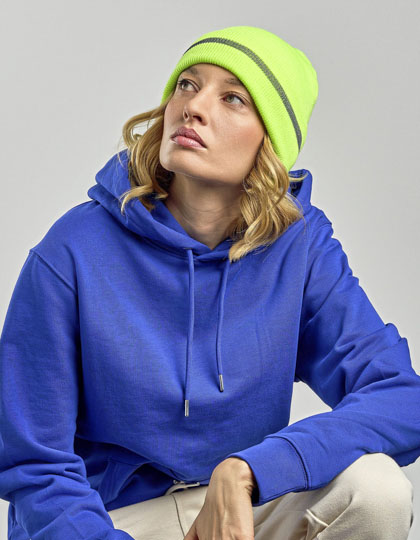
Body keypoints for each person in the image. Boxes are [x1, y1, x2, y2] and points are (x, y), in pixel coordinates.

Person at [0, 24, 419, 540]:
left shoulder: (300, 246)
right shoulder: (73, 249)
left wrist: (249, 470)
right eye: (187, 85)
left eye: (233, 98)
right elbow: (34, 464)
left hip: (235, 512)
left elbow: (402, 396)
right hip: (106, 521)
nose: (193, 107)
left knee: (376, 490)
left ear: (270, 142)